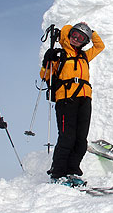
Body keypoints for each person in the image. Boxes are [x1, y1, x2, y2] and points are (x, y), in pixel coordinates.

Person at [41, 22, 105, 186]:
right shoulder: (60, 55)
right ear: (68, 36)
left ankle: (72, 171)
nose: (76, 39)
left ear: (85, 41)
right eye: (74, 35)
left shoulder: (85, 56)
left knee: (80, 140)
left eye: (81, 37)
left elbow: (100, 45)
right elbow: (45, 76)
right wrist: (47, 60)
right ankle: (58, 174)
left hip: (84, 100)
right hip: (66, 99)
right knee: (67, 138)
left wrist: (90, 30)